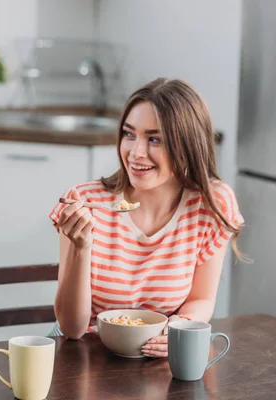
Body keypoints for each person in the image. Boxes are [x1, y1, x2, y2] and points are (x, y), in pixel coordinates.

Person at [49, 78, 244, 358]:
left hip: (156, 361)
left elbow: (201, 299)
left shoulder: (212, 205)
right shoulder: (86, 201)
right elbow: (72, 328)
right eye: (129, 134)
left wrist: (181, 327)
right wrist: (81, 248)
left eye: (155, 139)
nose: (136, 153)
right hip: (85, 356)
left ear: (188, 145)